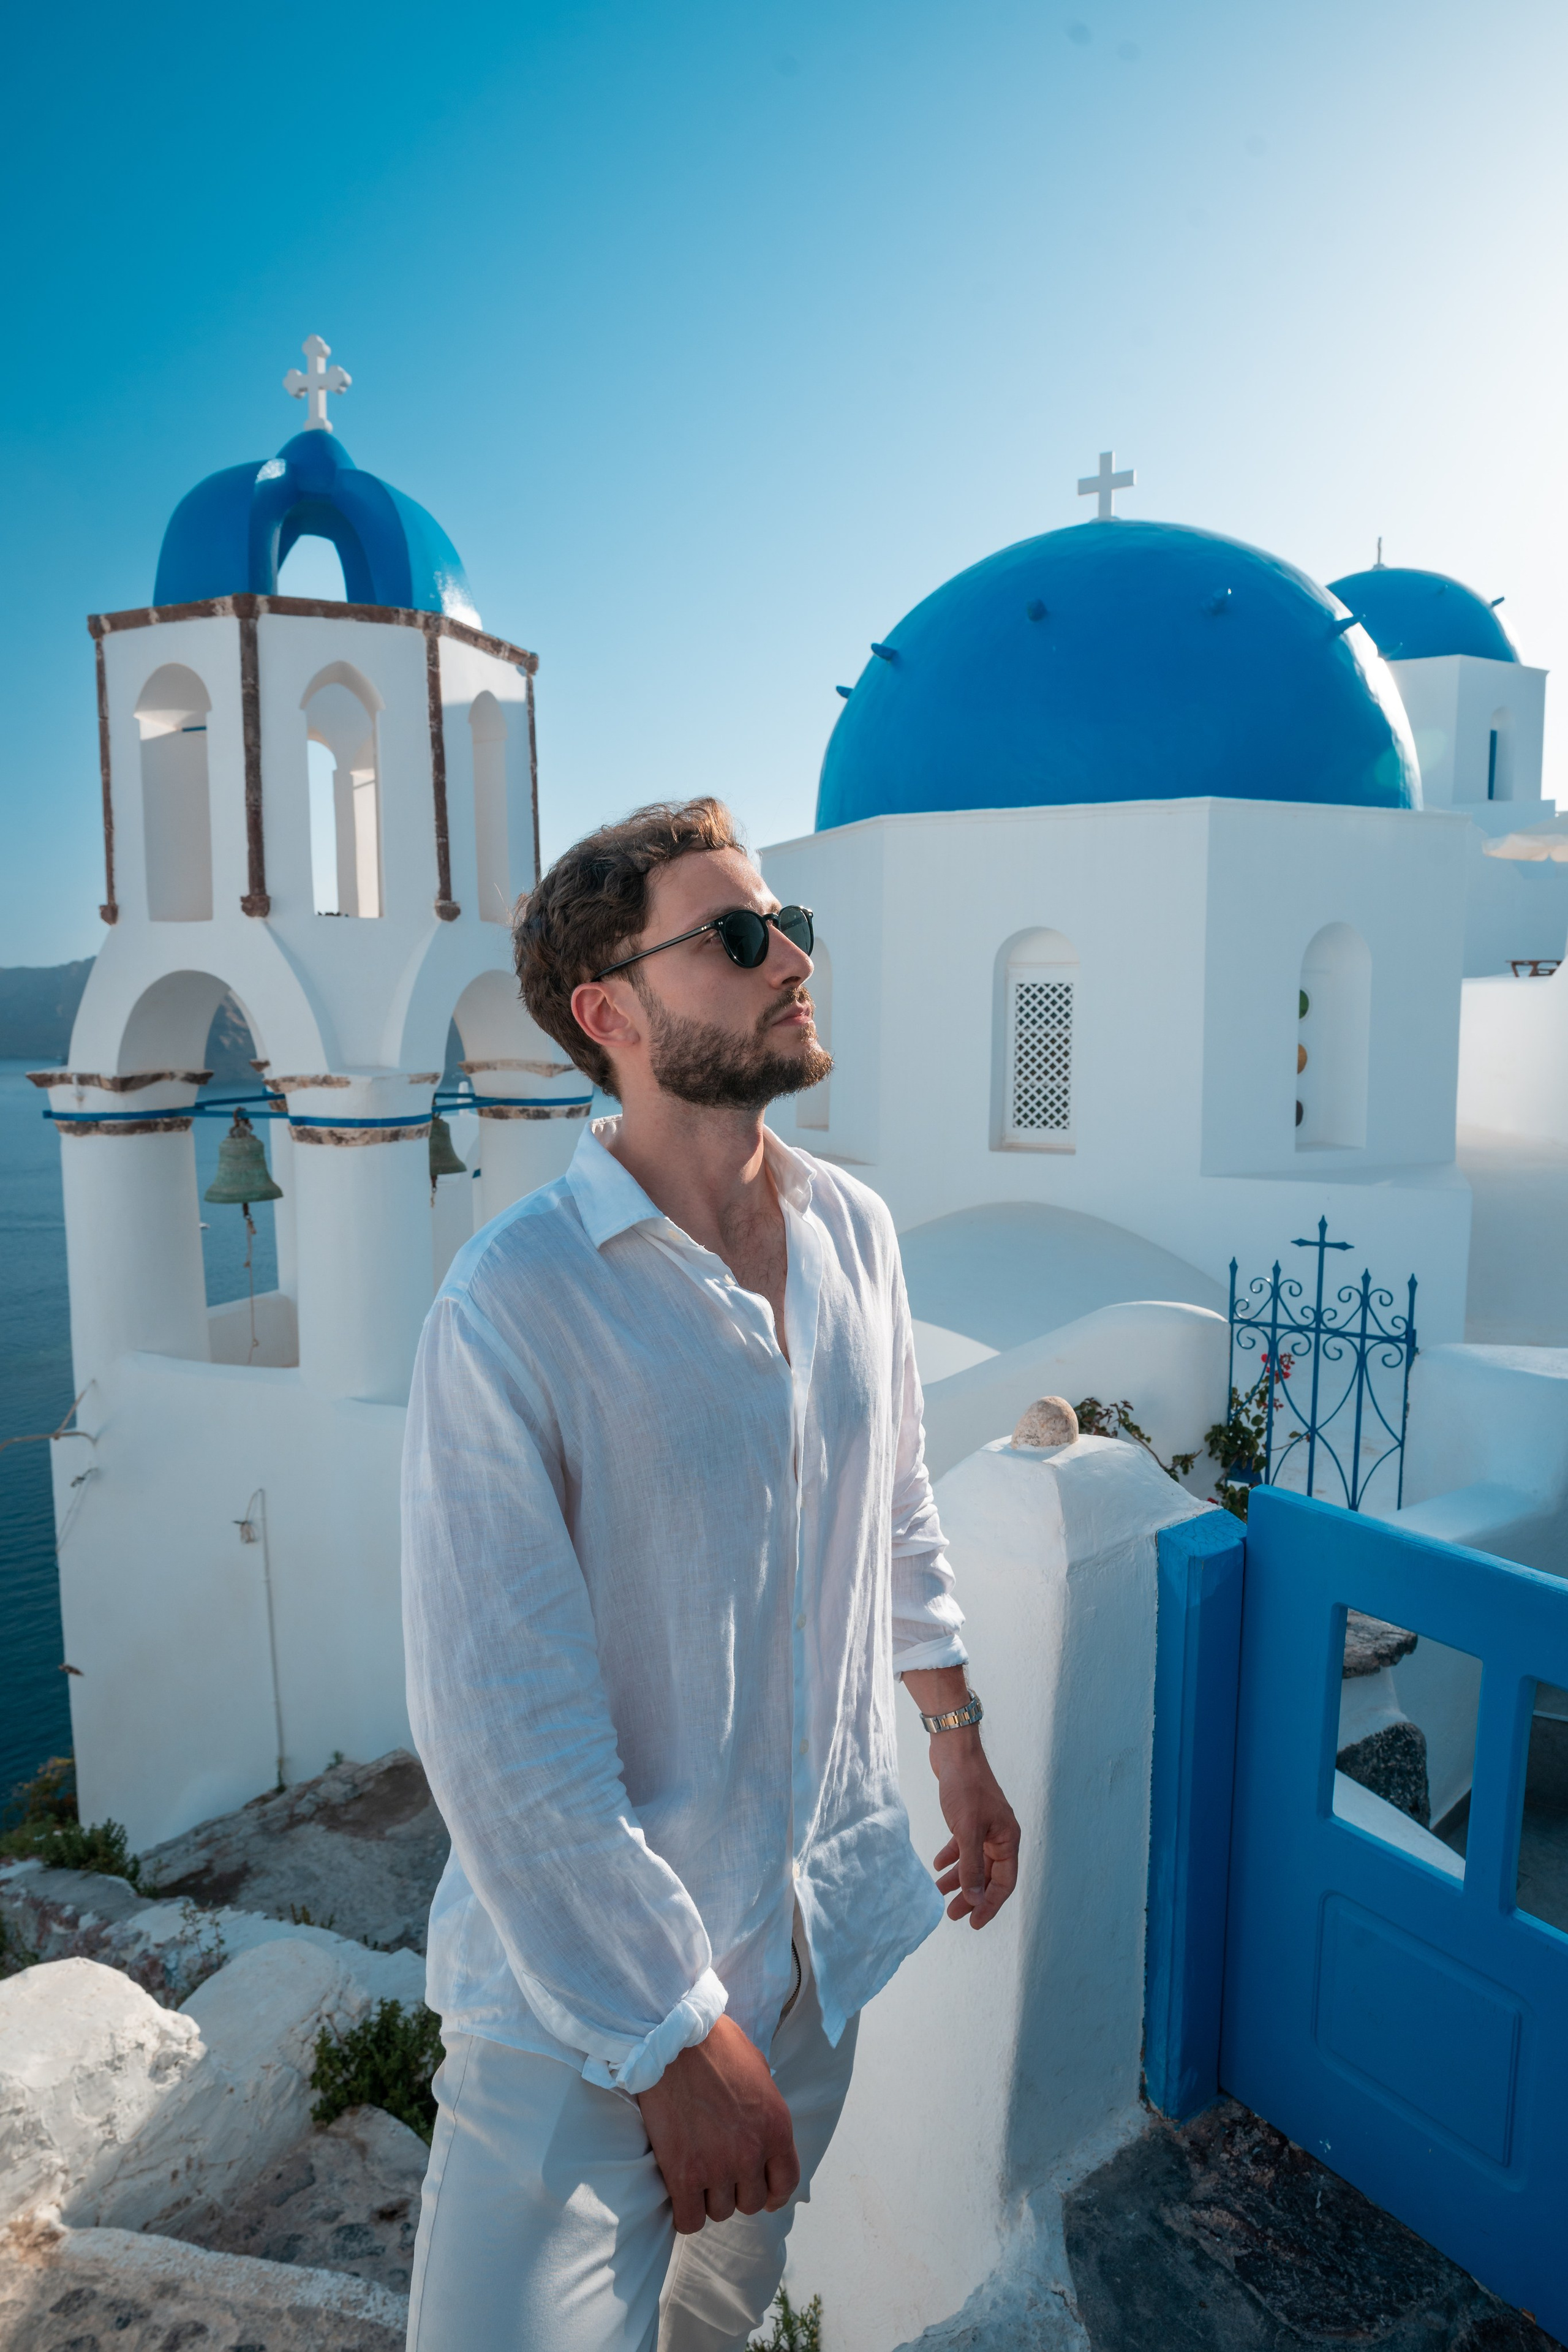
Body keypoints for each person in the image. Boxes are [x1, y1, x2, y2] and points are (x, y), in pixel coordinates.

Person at [401, 798, 1020, 2352]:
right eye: (736, 936)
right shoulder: (512, 1308)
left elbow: (896, 1517)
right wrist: (678, 2039)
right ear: (609, 1014)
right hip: (577, 2014)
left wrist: (955, 1745)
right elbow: (500, 1729)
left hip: (818, 1946)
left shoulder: (855, 1233)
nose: (788, 957)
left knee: (717, 2322)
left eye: (786, 923)